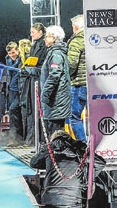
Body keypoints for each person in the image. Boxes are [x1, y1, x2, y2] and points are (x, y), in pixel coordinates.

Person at [30, 130, 106, 208]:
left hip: (50, 199)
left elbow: (33, 163)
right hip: (74, 199)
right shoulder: (79, 151)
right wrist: (87, 174)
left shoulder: (50, 150)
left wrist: (44, 153)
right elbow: (100, 163)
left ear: (53, 140)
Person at [39, 25, 71, 136]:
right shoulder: (54, 52)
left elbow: (54, 75)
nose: (45, 39)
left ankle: (55, 153)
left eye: (47, 36)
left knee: (55, 133)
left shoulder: (56, 53)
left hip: (56, 99)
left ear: (54, 38)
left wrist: (45, 94)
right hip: (56, 99)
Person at [19, 23, 48, 145]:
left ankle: (40, 139)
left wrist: (34, 69)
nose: (31, 34)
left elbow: (43, 63)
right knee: (31, 109)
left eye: (33, 32)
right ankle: (33, 138)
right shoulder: (35, 45)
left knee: (38, 109)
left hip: (39, 80)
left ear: (40, 32)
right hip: (32, 79)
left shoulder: (43, 45)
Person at [67, 14, 87, 142]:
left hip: (79, 84)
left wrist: (67, 76)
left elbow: (71, 63)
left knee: (74, 117)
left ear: (75, 27)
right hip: (95, 83)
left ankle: (83, 146)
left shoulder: (76, 41)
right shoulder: (93, 39)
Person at [3, 41, 23, 143]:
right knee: (12, 113)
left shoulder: (22, 60)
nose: (12, 56)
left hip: (19, 90)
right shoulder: (8, 60)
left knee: (14, 110)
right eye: (10, 54)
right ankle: (14, 137)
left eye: (13, 53)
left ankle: (18, 136)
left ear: (18, 50)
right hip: (11, 90)